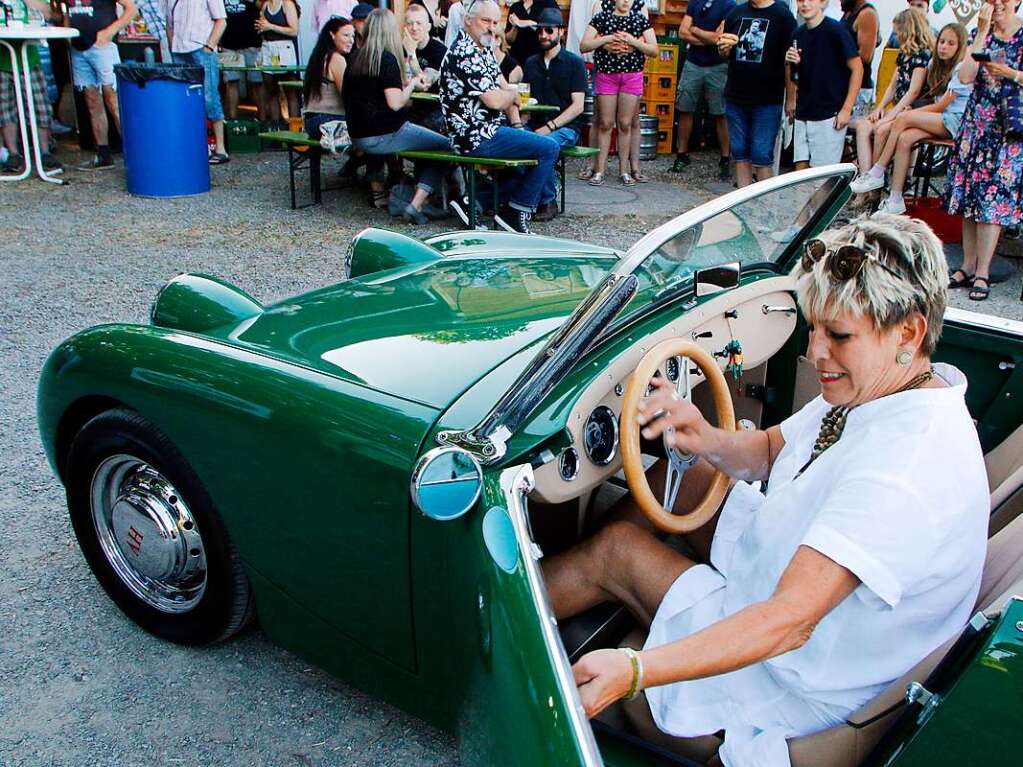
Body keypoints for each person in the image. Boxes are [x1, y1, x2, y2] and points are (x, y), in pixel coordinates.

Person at [545, 213, 988, 767]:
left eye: (839, 335)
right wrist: (704, 436)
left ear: (909, 332)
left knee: (616, 553)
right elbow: (774, 450)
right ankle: (599, 600)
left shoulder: (902, 469)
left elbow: (790, 622)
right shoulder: (895, 384)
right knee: (677, 479)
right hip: (806, 572)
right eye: (816, 328)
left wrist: (635, 670)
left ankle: (509, 630)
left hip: (808, 669)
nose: (816, 352)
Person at [439, 0, 560, 233]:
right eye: (486, 21)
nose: (491, 27)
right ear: (467, 21)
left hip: (490, 130)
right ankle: (516, 212)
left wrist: (516, 124)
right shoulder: (464, 53)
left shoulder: (483, 50)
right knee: (549, 148)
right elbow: (496, 99)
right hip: (473, 136)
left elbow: (506, 89)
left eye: (496, 22)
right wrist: (507, 96)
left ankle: (474, 201)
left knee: (528, 163)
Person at [944, 0, 1023, 302]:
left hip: (1008, 131)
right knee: (970, 198)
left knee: (994, 201)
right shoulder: (983, 32)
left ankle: (983, 272)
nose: (997, 4)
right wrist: (980, 32)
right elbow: (964, 77)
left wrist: (1010, 73)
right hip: (977, 125)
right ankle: (967, 266)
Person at [343, 8, 450, 223]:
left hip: (358, 136)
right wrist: (411, 84)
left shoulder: (355, 59)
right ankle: (418, 204)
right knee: (447, 146)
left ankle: (422, 198)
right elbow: (395, 103)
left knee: (426, 142)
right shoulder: (387, 59)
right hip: (384, 134)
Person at [850, 23, 968, 213]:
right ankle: (896, 199)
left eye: (951, 43)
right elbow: (928, 95)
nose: (944, 47)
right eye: (942, 42)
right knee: (905, 138)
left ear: (960, 46)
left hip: (957, 120)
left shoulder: (961, 68)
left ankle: (877, 171)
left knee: (903, 119)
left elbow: (941, 105)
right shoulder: (934, 64)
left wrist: (911, 113)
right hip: (942, 117)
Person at [716, 0, 796, 187]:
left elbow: (790, 62)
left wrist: (791, 98)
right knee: (740, 153)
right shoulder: (736, 13)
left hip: (768, 99)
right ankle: (744, 205)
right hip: (736, 95)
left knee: (761, 155)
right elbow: (726, 54)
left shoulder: (783, 16)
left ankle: (766, 207)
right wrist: (723, 50)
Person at [580, 0, 657, 186]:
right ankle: (599, 170)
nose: (625, 1)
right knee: (605, 123)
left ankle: (624, 170)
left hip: (631, 76)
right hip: (607, 75)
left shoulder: (640, 20)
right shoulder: (602, 17)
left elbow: (654, 49)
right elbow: (584, 45)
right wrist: (606, 39)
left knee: (625, 123)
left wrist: (633, 42)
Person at [521, 7, 588, 221]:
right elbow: (525, 99)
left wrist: (549, 127)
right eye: (540, 31)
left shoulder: (574, 63)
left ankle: (548, 200)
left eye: (549, 31)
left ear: (561, 32)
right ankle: (517, 199)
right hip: (535, 123)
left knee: (545, 145)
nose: (543, 35)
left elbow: (578, 106)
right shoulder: (531, 63)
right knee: (513, 139)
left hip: (566, 128)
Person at [853, 8, 933, 175]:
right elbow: (892, 86)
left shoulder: (923, 55)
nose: (896, 35)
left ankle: (875, 180)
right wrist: (880, 107)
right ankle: (866, 176)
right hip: (897, 106)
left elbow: (913, 92)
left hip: (910, 109)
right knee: (863, 127)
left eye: (899, 32)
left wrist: (890, 115)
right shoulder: (904, 54)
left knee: (880, 130)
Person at [785, 0, 863, 169]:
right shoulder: (797, 35)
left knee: (822, 176)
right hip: (803, 111)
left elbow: (858, 68)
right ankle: (803, 197)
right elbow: (795, 73)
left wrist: (846, 109)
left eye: (810, 0)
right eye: (800, 0)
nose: (805, 4)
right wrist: (791, 97)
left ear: (822, 3)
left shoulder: (835, 30)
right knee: (800, 171)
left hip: (829, 113)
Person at [65, 0, 138, 169]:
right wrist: (67, 32)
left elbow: (132, 9)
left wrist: (109, 31)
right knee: (91, 100)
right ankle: (103, 152)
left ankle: (133, 152)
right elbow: (67, 12)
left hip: (103, 46)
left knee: (112, 99)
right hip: (78, 47)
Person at [671, 0, 735, 179]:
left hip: (718, 65)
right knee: (685, 108)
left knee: (720, 113)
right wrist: (707, 37)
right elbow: (683, 31)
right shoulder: (695, 2)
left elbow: (718, 38)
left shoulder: (728, 4)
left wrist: (696, 29)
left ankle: (724, 158)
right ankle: (681, 155)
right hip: (693, 63)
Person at [0, 0, 62, 174]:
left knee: (40, 107)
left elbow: (47, 13)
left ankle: (44, 152)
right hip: (2, 59)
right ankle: (13, 154)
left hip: (28, 59)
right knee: (6, 110)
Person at [167, 0, 229, 164]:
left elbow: (221, 20)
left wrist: (209, 46)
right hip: (179, 50)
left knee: (209, 97)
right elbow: (169, 22)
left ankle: (220, 148)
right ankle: (195, 146)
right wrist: (172, 44)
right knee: (185, 101)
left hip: (200, 47)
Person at [302, 15, 354, 138]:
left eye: (353, 36)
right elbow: (349, 95)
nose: (351, 40)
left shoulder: (319, 57)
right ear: (332, 35)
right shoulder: (336, 59)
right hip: (328, 121)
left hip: (311, 122)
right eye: (346, 35)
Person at [404, 3, 448, 132]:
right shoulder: (401, 49)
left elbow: (424, 83)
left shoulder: (439, 50)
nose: (414, 28)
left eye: (419, 23)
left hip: (437, 111)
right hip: (413, 108)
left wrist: (411, 54)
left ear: (428, 27)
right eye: (410, 23)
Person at [219, 0, 264, 120]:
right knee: (231, 82)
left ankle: (263, 121)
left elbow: (265, 6)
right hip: (228, 43)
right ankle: (232, 123)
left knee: (257, 83)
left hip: (252, 42)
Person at [256, 0, 299, 122]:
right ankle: (275, 127)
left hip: (283, 47)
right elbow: (263, 25)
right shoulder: (265, 5)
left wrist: (271, 26)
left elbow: (294, 30)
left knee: (290, 91)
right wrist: (261, 28)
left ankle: (294, 130)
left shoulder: (287, 4)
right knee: (271, 91)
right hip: (267, 47)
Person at [840, 0, 880, 112]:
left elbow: (865, 56)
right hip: (843, 86)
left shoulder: (867, 14)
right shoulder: (848, 13)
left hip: (859, 90)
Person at [505, 0, 559, 65]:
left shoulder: (548, 3)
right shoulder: (515, 7)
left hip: (539, 58)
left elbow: (553, 29)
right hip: (517, 59)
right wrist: (515, 26)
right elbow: (509, 41)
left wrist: (529, 23)